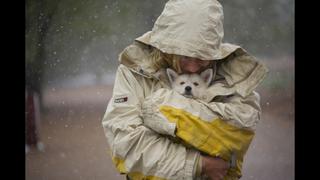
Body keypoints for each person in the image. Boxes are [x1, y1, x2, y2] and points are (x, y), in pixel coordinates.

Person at [102, 0, 268, 179]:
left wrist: (162, 111)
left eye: (202, 58)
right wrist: (199, 164)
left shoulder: (235, 76)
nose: (193, 68)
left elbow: (238, 136)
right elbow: (126, 146)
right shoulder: (134, 71)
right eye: (184, 57)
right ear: (168, 49)